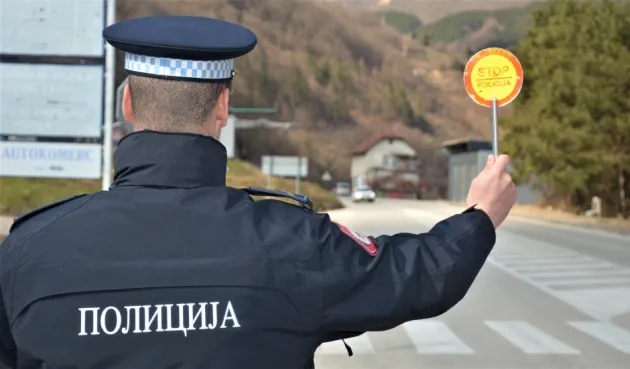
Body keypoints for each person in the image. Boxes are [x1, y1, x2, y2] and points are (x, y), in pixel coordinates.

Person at [0, 15, 517, 369]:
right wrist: (480, 215)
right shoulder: (292, 243)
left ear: (129, 103)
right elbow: (418, 275)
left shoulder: (28, 250)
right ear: (222, 109)